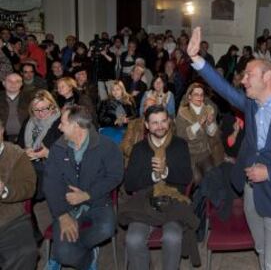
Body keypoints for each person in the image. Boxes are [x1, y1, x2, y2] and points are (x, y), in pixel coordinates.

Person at [187, 27, 271, 270]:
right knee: (261, 249)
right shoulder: (251, 103)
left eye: (248, 75)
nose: (243, 79)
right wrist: (196, 59)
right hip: (251, 191)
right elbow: (225, 89)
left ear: (267, 78)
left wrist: (270, 172)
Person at [43, 105, 123, 270]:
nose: (59, 127)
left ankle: (63, 250)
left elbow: (115, 176)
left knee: (107, 228)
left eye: (62, 123)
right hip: (66, 204)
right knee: (66, 255)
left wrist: (87, 195)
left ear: (76, 126)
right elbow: (51, 184)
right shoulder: (57, 149)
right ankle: (85, 256)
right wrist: (63, 215)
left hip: (97, 201)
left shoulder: (107, 146)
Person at [124, 105, 193, 270]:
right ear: (146, 125)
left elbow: (187, 177)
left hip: (173, 202)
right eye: (154, 123)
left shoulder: (180, 145)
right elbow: (130, 183)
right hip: (145, 203)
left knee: (172, 237)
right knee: (133, 239)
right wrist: (154, 175)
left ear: (169, 121)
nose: (160, 126)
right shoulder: (139, 149)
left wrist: (166, 171)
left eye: (163, 121)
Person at [0, 118, 38, 270]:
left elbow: (29, 187)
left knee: (25, 254)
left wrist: (5, 191)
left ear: (1, 131)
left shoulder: (16, 155)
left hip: (10, 219)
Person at [17, 90, 62, 201]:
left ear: (52, 106)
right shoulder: (29, 121)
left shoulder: (61, 123)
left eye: (45, 108)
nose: (41, 113)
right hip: (29, 162)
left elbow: (66, 154)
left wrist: (44, 153)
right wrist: (25, 151)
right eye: (36, 110)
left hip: (50, 165)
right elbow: (19, 145)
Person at [176, 83, 224, 184]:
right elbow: (181, 135)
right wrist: (199, 123)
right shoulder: (183, 112)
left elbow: (212, 134)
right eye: (196, 94)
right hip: (189, 154)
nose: (199, 97)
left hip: (205, 152)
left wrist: (210, 123)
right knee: (197, 180)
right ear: (189, 96)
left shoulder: (208, 109)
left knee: (211, 178)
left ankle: (210, 198)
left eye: (201, 95)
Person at [0, 73, 31, 142]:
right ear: (3, 83)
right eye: (9, 81)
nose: (13, 84)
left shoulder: (30, 98)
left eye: (17, 81)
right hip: (2, 139)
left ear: (21, 84)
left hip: (25, 137)